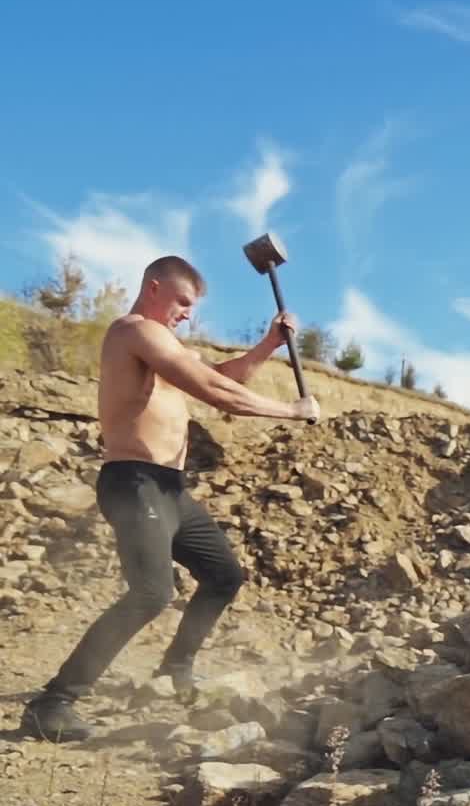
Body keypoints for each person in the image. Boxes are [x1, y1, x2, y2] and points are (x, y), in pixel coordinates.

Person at [20, 254, 322, 741]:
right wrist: (291, 410)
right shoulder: (134, 331)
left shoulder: (164, 346)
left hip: (169, 488)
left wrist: (269, 344)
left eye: (192, 306)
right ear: (155, 287)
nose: (186, 313)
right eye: (182, 301)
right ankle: (52, 703)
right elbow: (217, 394)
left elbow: (225, 377)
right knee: (152, 593)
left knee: (224, 575)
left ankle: (173, 669)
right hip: (133, 479)